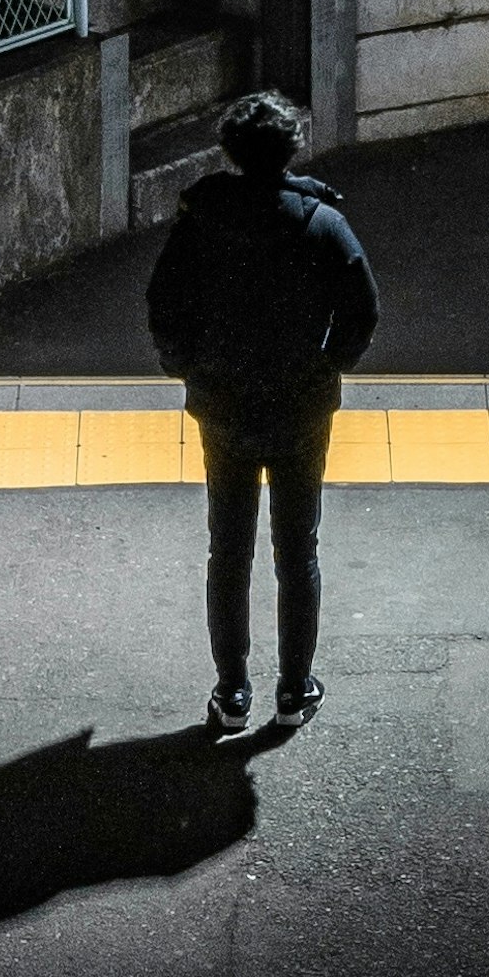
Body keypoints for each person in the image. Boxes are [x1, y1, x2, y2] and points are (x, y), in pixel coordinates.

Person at [143, 86, 378, 733]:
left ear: (232, 152)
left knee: (229, 550)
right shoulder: (322, 223)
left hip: (223, 407)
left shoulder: (201, 220)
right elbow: (363, 310)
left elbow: (164, 303)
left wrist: (183, 363)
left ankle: (231, 692)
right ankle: (294, 689)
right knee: (296, 550)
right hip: (301, 410)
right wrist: (330, 364)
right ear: (291, 149)